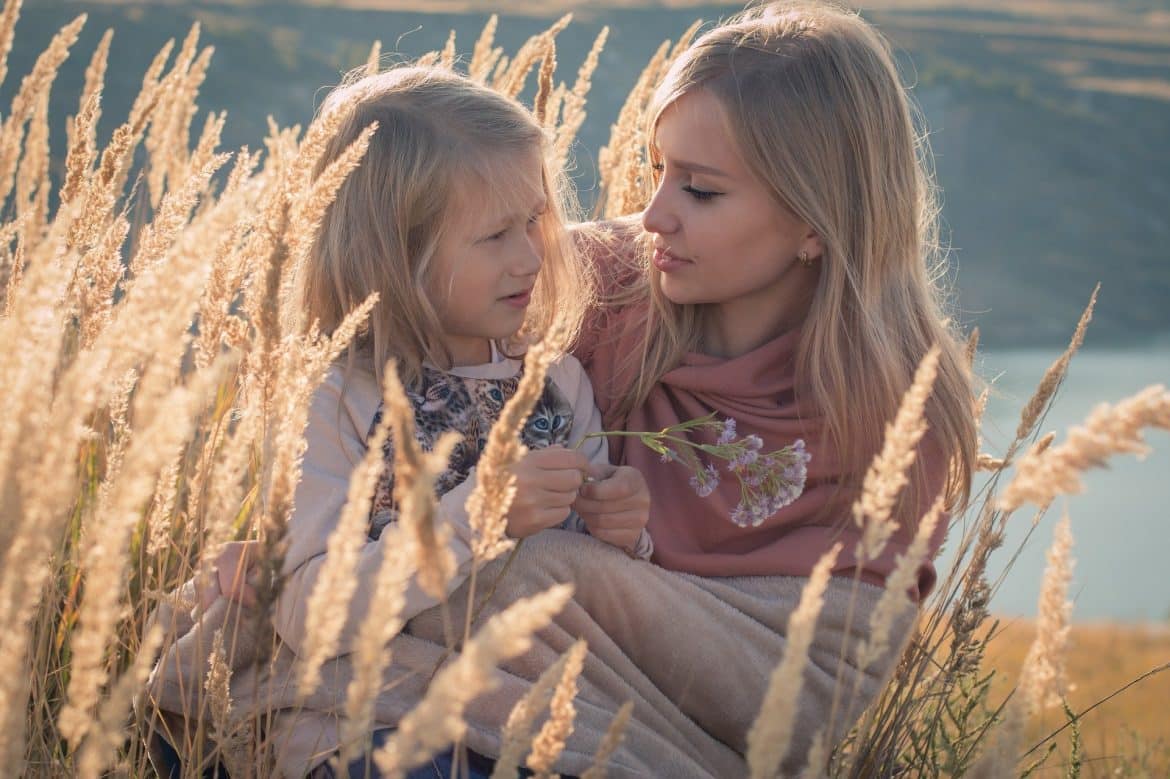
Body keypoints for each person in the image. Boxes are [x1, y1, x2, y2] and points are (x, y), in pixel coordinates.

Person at [184, 2, 977, 776]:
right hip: (489, 679)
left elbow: (814, 685)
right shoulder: (596, 286)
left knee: (531, 573)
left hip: (670, 694)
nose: (653, 213)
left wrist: (591, 557)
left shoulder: (902, 410)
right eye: (657, 170)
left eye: (699, 189)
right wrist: (300, 551)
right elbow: (398, 388)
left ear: (816, 219)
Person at [144, 63, 652, 778]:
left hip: (510, 703)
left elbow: (589, 589)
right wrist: (479, 513)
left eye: (535, 221)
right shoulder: (336, 401)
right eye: (496, 234)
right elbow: (309, 613)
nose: (532, 254)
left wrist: (627, 531)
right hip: (368, 713)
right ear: (395, 254)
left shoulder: (555, 384)